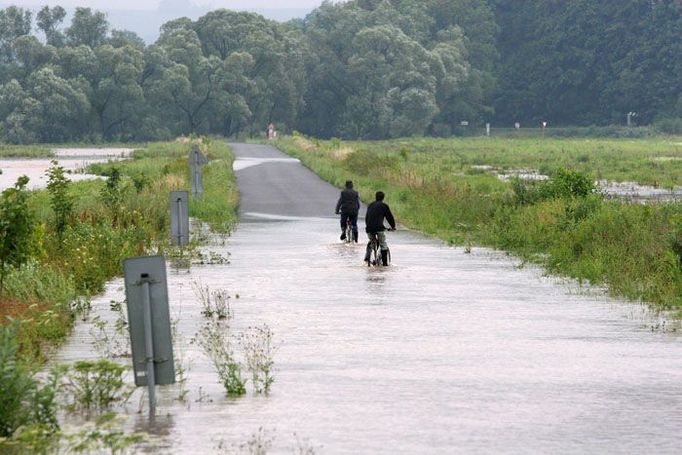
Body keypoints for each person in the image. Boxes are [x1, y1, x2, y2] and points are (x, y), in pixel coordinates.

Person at [364, 191, 396, 266]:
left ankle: (367, 258)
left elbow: (367, 217)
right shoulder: (384, 206)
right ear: (383, 198)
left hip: (369, 228)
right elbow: (389, 217)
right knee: (383, 244)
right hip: (379, 228)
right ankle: (385, 264)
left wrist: (368, 226)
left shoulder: (370, 205)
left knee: (371, 241)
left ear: (375, 197)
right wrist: (393, 227)